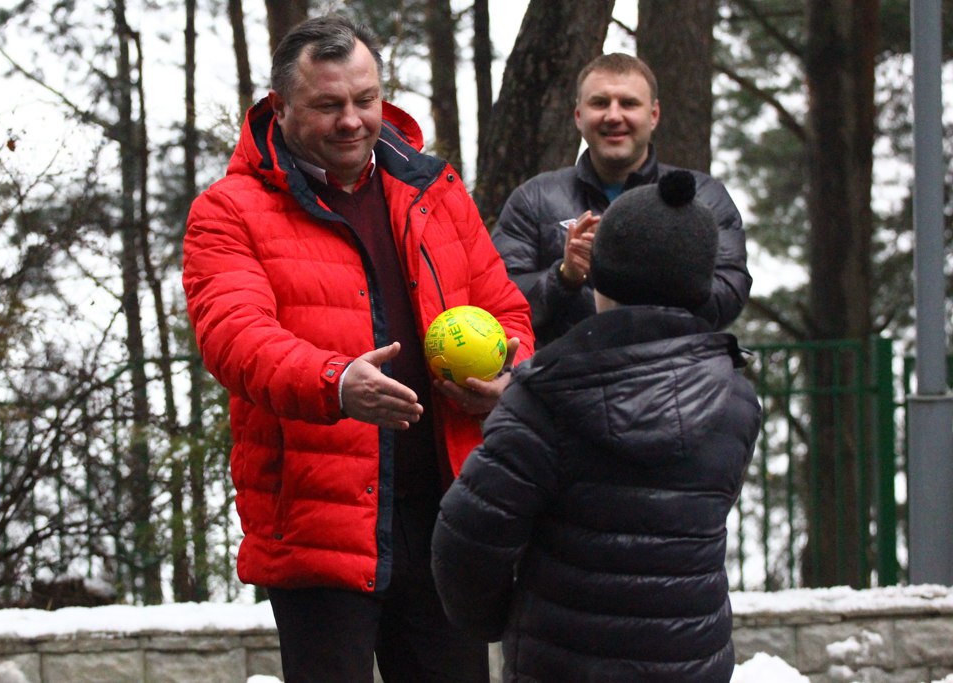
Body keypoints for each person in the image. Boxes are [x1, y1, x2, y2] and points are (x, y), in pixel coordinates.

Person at [181, 14, 534, 683]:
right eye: (328, 104)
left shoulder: (436, 190)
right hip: (319, 522)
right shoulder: (229, 210)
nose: (352, 120)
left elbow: (509, 311)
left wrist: (509, 373)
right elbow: (234, 338)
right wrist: (337, 382)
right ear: (282, 109)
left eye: (365, 100)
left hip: (445, 518)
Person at [432, 171, 762, 682]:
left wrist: (496, 620)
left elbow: (467, 540)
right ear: (701, 286)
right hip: (693, 663)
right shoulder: (736, 399)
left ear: (597, 276)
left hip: (563, 662)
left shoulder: (544, 396)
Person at [491, 52, 752, 348]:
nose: (613, 116)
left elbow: (730, 291)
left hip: (673, 379)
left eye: (628, 103)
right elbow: (499, 298)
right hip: (564, 383)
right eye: (600, 103)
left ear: (653, 115)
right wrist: (564, 277)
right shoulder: (535, 198)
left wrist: (646, 273)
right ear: (579, 116)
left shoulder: (701, 195)